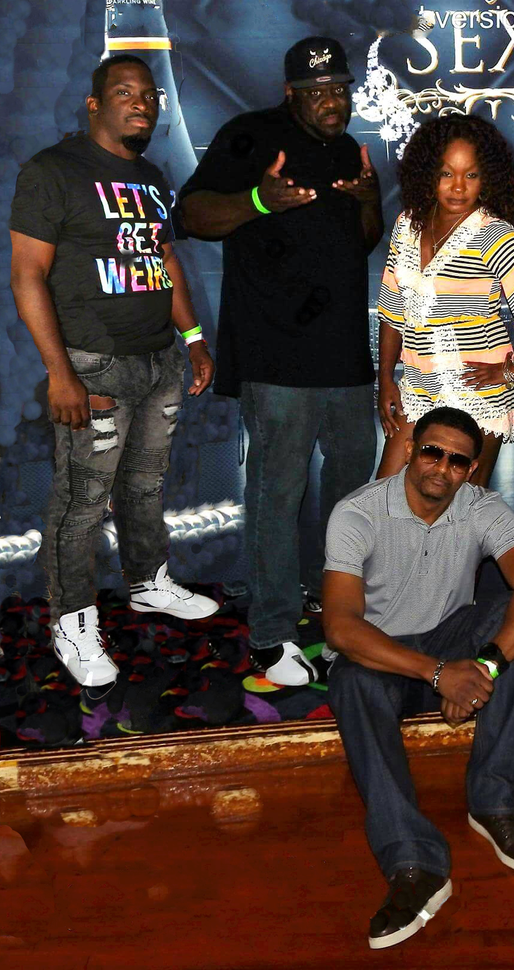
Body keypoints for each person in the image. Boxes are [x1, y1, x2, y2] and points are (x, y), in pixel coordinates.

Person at [179, 37, 384, 687]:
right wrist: (260, 202)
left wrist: (368, 199)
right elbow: (191, 214)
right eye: (317, 92)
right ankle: (271, 634)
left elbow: (364, 241)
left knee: (351, 498)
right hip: (276, 356)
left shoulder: (348, 150)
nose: (332, 101)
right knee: (277, 497)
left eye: (340, 89)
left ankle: (335, 610)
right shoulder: (249, 135)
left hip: (345, 356)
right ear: (291, 93)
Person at [9, 55, 217, 690]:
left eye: (149, 95)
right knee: (82, 500)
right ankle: (72, 621)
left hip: (159, 359)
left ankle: (147, 582)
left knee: (145, 485)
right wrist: (60, 374)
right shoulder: (53, 171)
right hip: (93, 365)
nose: (141, 103)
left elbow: (165, 259)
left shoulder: (150, 176)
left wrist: (193, 339)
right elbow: (27, 275)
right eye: (124, 93)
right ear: (94, 103)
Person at [322, 406, 514, 949]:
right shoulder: (358, 512)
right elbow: (340, 626)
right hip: (385, 657)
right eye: (432, 452)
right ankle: (414, 862)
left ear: (471, 470)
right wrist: (438, 675)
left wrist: (484, 668)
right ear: (410, 450)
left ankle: (494, 803)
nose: (442, 467)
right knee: (351, 680)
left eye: (457, 461)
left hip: (452, 642)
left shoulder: (482, 507)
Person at [374, 115, 514, 487]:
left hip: (478, 394)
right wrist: (385, 379)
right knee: (386, 495)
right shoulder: (406, 225)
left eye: (471, 175)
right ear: (429, 174)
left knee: (460, 509)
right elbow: (391, 309)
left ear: (487, 178)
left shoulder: (493, 233)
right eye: (447, 173)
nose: (459, 186)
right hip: (418, 388)